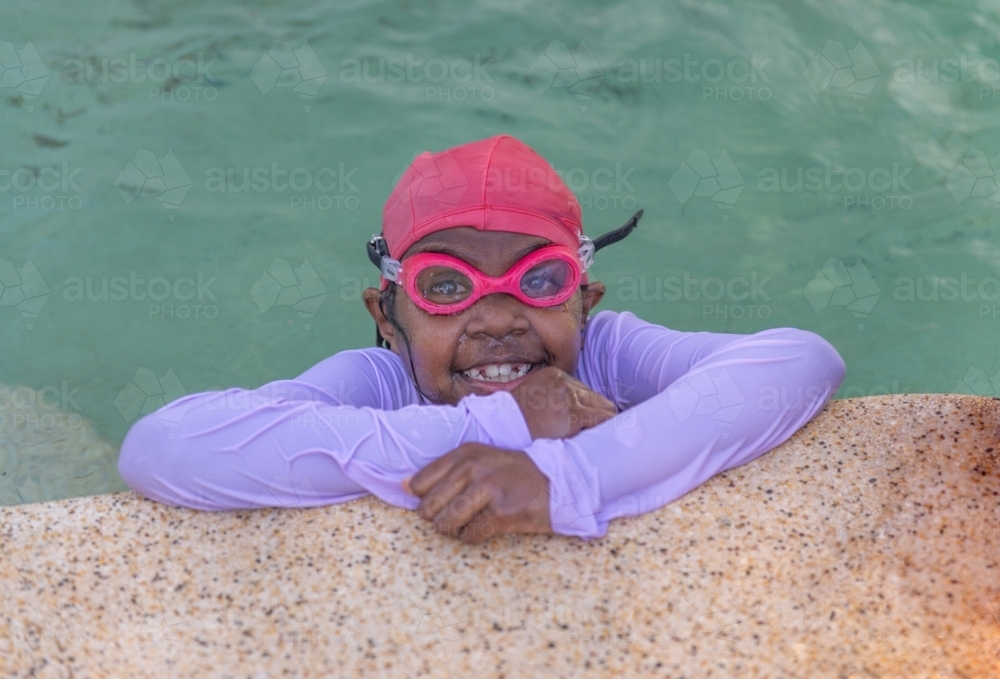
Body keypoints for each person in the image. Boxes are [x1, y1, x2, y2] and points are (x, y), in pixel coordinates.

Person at [118, 135, 845, 543]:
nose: (498, 319)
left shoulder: (604, 352)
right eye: (446, 286)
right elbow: (163, 448)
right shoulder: (382, 381)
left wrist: (567, 478)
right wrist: (503, 424)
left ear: (584, 301)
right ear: (387, 318)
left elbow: (800, 360)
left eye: (539, 281)